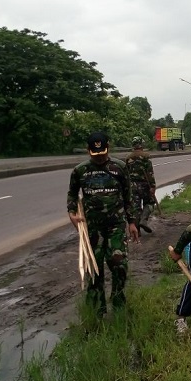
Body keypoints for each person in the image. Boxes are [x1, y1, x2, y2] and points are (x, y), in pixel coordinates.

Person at [67, 131, 140, 316]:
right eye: (95, 154)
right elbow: (72, 195)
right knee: (94, 267)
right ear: (88, 150)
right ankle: (96, 309)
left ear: (108, 147)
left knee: (119, 264)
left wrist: (132, 222)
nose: (99, 158)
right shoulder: (80, 171)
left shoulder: (120, 167)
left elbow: (128, 196)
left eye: (102, 153)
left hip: (116, 225)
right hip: (92, 228)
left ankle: (118, 301)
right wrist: (72, 213)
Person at [125, 136, 157, 234]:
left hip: (132, 186)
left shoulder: (128, 158)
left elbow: (126, 174)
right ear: (141, 145)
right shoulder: (146, 157)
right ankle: (144, 220)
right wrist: (152, 186)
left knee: (136, 207)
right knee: (150, 203)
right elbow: (150, 174)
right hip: (145, 185)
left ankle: (137, 230)